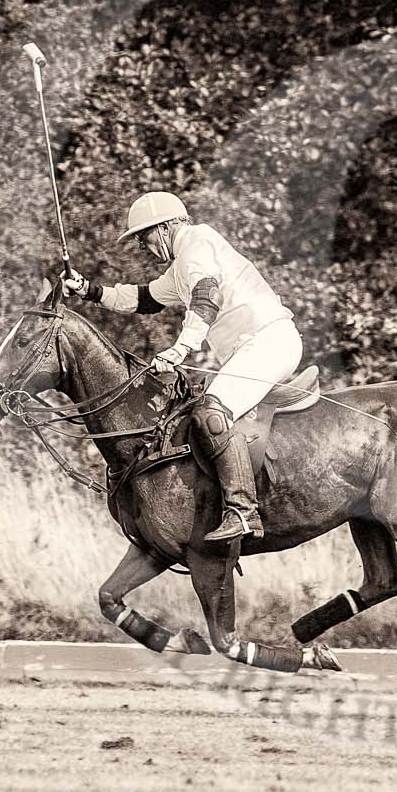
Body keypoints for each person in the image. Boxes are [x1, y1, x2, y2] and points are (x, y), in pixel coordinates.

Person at [63, 192, 301, 543]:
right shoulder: (181, 266)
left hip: (269, 342)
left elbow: (207, 296)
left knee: (210, 412)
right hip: (253, 348)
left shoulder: (197, 242)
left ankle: (243, 511)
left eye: (144, 236)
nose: (143, 246)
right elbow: (142, 299)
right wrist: (89, 290)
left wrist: (180, 349)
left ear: (165, 227)